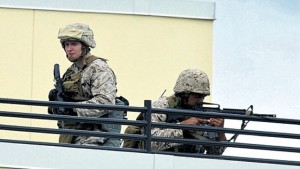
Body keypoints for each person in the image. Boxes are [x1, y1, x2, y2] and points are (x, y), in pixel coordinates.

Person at [48, 23, 121, 147]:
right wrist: (57, 103)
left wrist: (73, 108)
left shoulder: (99, 69)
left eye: (74, 44)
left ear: (85, 46)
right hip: (72, 134)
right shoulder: (72, 71)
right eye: (66, 44)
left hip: (96, 137)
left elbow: (105, 102)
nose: (69, 48)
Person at [151, 69, 226, 154]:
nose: (201, 100)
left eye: (203, 96)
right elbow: (149, 142)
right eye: (197, 95)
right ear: (184, 94)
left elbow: (216, 152)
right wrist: (182, 126)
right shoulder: (162, 106)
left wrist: (220, 132)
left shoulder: (200, 112)